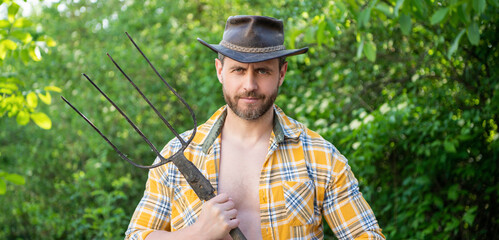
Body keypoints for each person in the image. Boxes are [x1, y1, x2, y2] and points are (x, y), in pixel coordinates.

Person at [125, 15, 385, 240]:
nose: (249, 85)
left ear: (281, 73)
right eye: (238, 70)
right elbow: (137, 235)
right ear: (220, 71)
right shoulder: (176, 156)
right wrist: (196, 234)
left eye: (262, 71)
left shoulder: (320, 157)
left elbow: (367, 235)